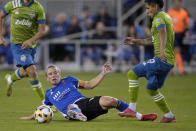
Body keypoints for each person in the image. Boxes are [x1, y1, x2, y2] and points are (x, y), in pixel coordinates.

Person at [21, 63, 157, 121]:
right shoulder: (48, 93)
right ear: (46, 78)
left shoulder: (69, 80)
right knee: (71, 107)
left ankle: (139, 116)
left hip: (85, 104)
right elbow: (43, 109)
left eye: (56, 72)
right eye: (50, 74)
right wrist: (30, 117)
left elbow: (89, 85)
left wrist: (102, 74)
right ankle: (75, 114)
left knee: (111, 100)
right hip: (72, 111)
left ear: (60, 74)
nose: (53, 75)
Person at [118, 0, 176, 123]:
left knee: (132, 73)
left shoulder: (159, 18)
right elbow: (153, 39)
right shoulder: (166, 16)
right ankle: (169, 115)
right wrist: (136, 41)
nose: (146, 11)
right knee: (151, 88)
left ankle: (132, 108)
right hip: (168, 61)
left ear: (155, 6)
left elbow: (162, 32)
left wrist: (161, 51)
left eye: (148, 8)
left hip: (161, 60)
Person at [0, 0, 46, 101]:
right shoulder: (13, 4)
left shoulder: (38, 8)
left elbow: (42, 30)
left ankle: (10, 79)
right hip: (17, 45)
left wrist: (30, 40)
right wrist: (0, 36)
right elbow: (1, 16)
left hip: (31, 45)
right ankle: (46, 102)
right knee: (32, 71)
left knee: (25, 72)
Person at [167, 0, 189, 75]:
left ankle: (171, 70)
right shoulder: (169, 13)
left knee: (174, 52)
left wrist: (186, 32)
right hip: (172, 34)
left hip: (181, 35)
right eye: (175, 2)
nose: (177, 4)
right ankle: (181, 70)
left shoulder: (184, 12)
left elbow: (186, 24)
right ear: (173, 3)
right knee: (177, 50)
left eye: (178, 2)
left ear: (180, 3)